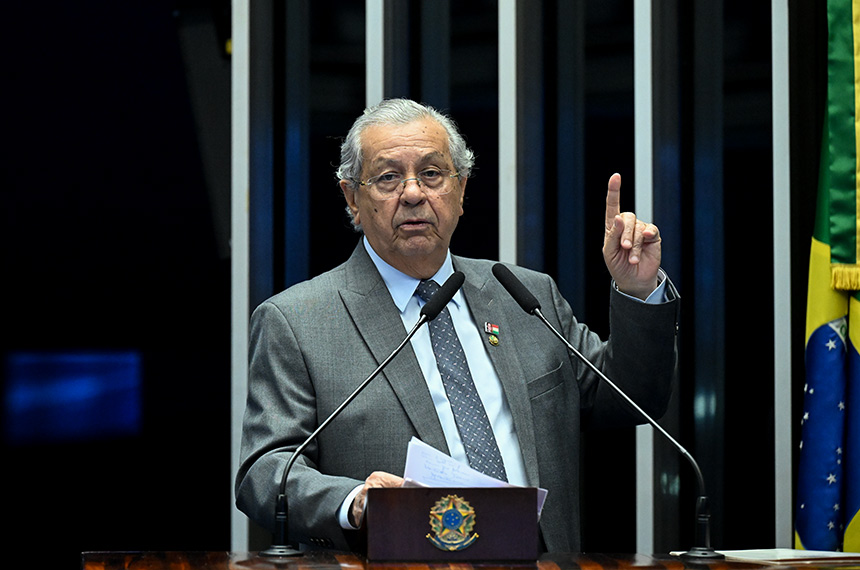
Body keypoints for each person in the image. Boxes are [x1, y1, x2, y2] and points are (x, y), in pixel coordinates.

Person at [235, 98, 679, 553]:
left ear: (461, 189)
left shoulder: (523, 295)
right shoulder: (299, 320)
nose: (412, 194)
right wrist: (355, 501)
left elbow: (633, 397)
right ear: (352, 198)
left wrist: (638, 291)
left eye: (432, 174)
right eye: (388, 177)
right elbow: (266, 471)